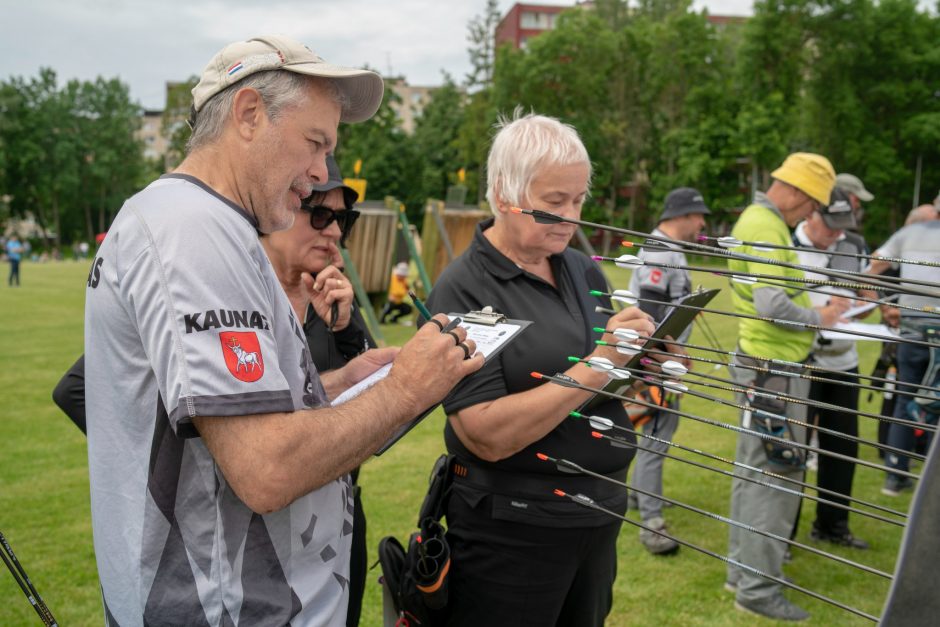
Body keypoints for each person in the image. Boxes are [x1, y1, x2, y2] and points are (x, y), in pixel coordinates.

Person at [82, 35, 482, 626]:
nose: (321, 172)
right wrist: (405, 391)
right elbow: (266, 469)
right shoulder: (194, 231)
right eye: (315, 143)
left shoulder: (206, 224)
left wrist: (341, 380)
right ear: (248, 115)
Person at [426, 111, 673, 627]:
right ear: (501, 194)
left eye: (579, 200)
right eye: (553, 204)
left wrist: (645, 363)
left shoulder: (583, 269)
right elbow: (485, 432)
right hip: (513, 531)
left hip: (597, 515)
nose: (571, 219)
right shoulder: (464, 288)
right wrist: (601, 361)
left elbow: (602, 389)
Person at [725, 152, 848, 622]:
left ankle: (741, 572)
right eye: (812, 205)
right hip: (774, 368)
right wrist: (822, 317)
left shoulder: (755, 220)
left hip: (761, 364)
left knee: (753, 469)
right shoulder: (767, 225)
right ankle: (757, 589)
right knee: (778, 476)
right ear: (796, 191)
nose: (810, 215)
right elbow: (772, 303)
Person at [625, 187, 707, 555]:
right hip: (655, 361)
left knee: (657, 431)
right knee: (656, 434)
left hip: (659, 358)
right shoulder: (661, 250)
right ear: (682, 215)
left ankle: (639, 497)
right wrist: (666, 361)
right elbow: (651, 316)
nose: (702, 223)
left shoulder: (668, 250)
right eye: (698, 215)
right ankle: (651, 524)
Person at [792, 189, 874, 549]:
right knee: (792, 449)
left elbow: (865, 292)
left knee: (841, 446)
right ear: (812, 214)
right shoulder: (786, 243)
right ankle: (784, 533)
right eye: (831, 226)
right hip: (801, 361)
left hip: (844, 360)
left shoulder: (853, 245)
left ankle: (832, 524)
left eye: (844, 226)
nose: (837, 234)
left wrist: (864, 304)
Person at [868, 211, 940, 497]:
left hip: (911, 329)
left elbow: (872, 265)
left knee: (904, 399)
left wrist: (885, 307)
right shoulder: (911, 232)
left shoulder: (908, 234)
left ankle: (895, 477)